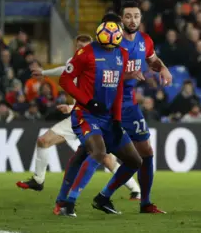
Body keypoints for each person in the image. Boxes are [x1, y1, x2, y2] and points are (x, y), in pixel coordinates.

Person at [15, 34, 141, 202]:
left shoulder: (98, 63)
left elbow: (103, 96)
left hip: (92, 117)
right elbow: (64, 70)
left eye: (84, 45)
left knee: (104, 157)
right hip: (78, 116)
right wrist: (44, 73)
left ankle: (135, 189)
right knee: (43, 141)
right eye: (78, 45)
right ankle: (38, 180)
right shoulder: (76, 61)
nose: (80, 48)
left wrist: (71, 107)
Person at [90, 2, 172, 215]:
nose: (132, 20)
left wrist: (163, 69)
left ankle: (144, 202)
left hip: (130, 106)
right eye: (128, 16)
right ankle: (67, 200)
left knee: (146, 153)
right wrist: (127, 75)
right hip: (107, 105)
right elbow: (101, 75)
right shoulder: (111, 43)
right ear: (120, 19)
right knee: (91, 153)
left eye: (136, 16)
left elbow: (153, 61)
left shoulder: (145, 41)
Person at [56, 21, 142, 217]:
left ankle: (103, 197)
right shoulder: (85, 53)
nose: (108, 48)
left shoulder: (122, 54)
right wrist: (88, 102)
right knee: (98, 151)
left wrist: (118, 119)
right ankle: (69, 202)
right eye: (105, 45)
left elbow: (119, 87)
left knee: (134, 161)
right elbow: (64, 80)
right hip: (86, 114)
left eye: (112, 45)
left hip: (109, 118)